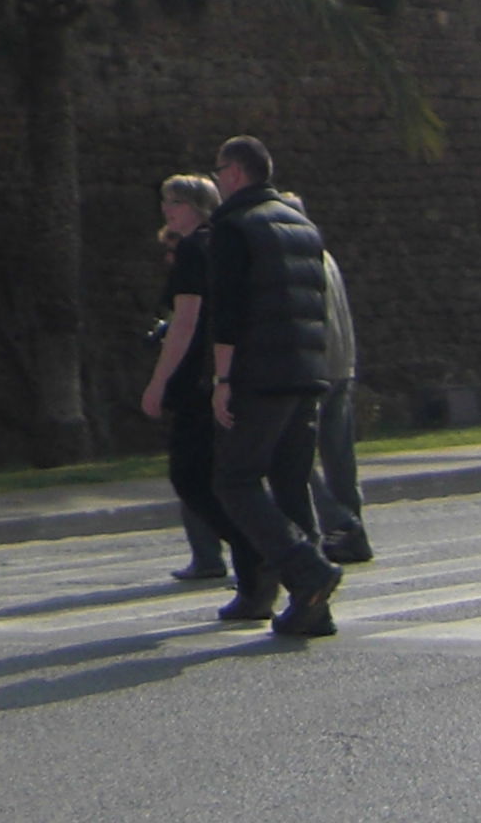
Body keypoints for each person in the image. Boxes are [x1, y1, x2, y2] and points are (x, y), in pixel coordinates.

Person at [203, 135, 344, 639]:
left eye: (220, 170)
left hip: (259, 373)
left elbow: (229, 311)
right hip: (306, 370)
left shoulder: (233, 225)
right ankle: (312, 607)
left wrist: (222, 379)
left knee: (235, 480)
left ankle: (307, 571)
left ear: (237, 172)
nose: (217, 179)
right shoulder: (301, 224)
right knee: (291, 484)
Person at [136, 174, 240, 585]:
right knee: (223, 473)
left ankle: (259, 546)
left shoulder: (196, 249)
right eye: (165, 201)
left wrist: (158, 382)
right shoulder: (222, 244)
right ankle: (257, 550)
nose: (167, 210)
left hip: (198, 376)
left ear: (198, 206)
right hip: (223, 371)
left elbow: (185, 322)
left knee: (190, 476)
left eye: (175, 202)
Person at [306, 233, 373, 566]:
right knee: (339, 457)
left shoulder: (295, 259)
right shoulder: (326, 256)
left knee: (296, 454)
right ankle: (353, 529)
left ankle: (341, 525)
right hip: (341, 363)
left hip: (315, 366)